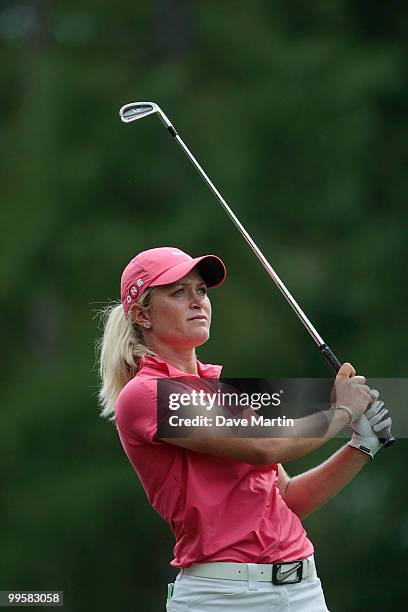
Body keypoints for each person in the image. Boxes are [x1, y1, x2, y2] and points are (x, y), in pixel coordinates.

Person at [97, 246, 392, 612]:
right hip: (222, 597)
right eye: (179, 292)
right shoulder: (145, 395)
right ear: (142, 313)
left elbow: (286, 498)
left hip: (303, 589)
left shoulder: (222, 391)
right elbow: (264, 446)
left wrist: (361, 445)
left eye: (201, 291)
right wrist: (343, 410)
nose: (197, 301)